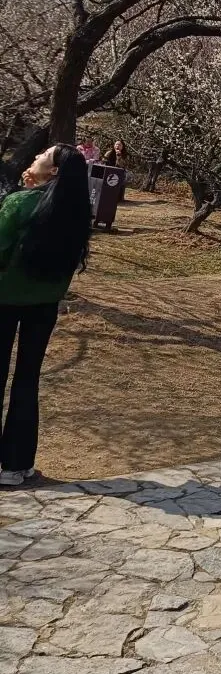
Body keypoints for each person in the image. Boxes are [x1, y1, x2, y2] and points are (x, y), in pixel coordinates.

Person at [0, 145, 91, 486]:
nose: (35, 157)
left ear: (53, 171)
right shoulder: (77, 210)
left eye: (42, 155)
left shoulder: (18, 204)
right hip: (45, 304)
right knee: (27, 380)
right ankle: (17, 465)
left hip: (4, 299)